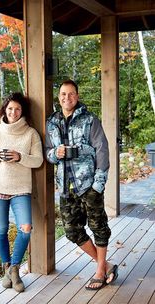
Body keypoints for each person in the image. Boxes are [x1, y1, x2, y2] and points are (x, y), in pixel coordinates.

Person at [45, 79, 118, 290]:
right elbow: (47, 152)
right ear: (59, 97)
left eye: (71, 94)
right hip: (66, 186)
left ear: (77, 96)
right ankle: (105, 265)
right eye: (63, 94)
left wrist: (98, 184)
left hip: (89, 185)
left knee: (98, 227)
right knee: (71, 231)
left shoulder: (89, 119)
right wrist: (54, 153)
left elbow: (102, 149)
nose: (66, 98)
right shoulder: (52, 122)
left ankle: (99, 271)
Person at [0, 92, 43, 292]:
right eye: (9, 109)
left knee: (25, 229)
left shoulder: (31, 133)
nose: (13, 112)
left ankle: (14, 268)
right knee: (1, 230)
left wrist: (20, 156)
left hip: (20, 189)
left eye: (17, 109)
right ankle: (7, 267)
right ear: (4, 111)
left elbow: (38, 160)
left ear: (22, 110)